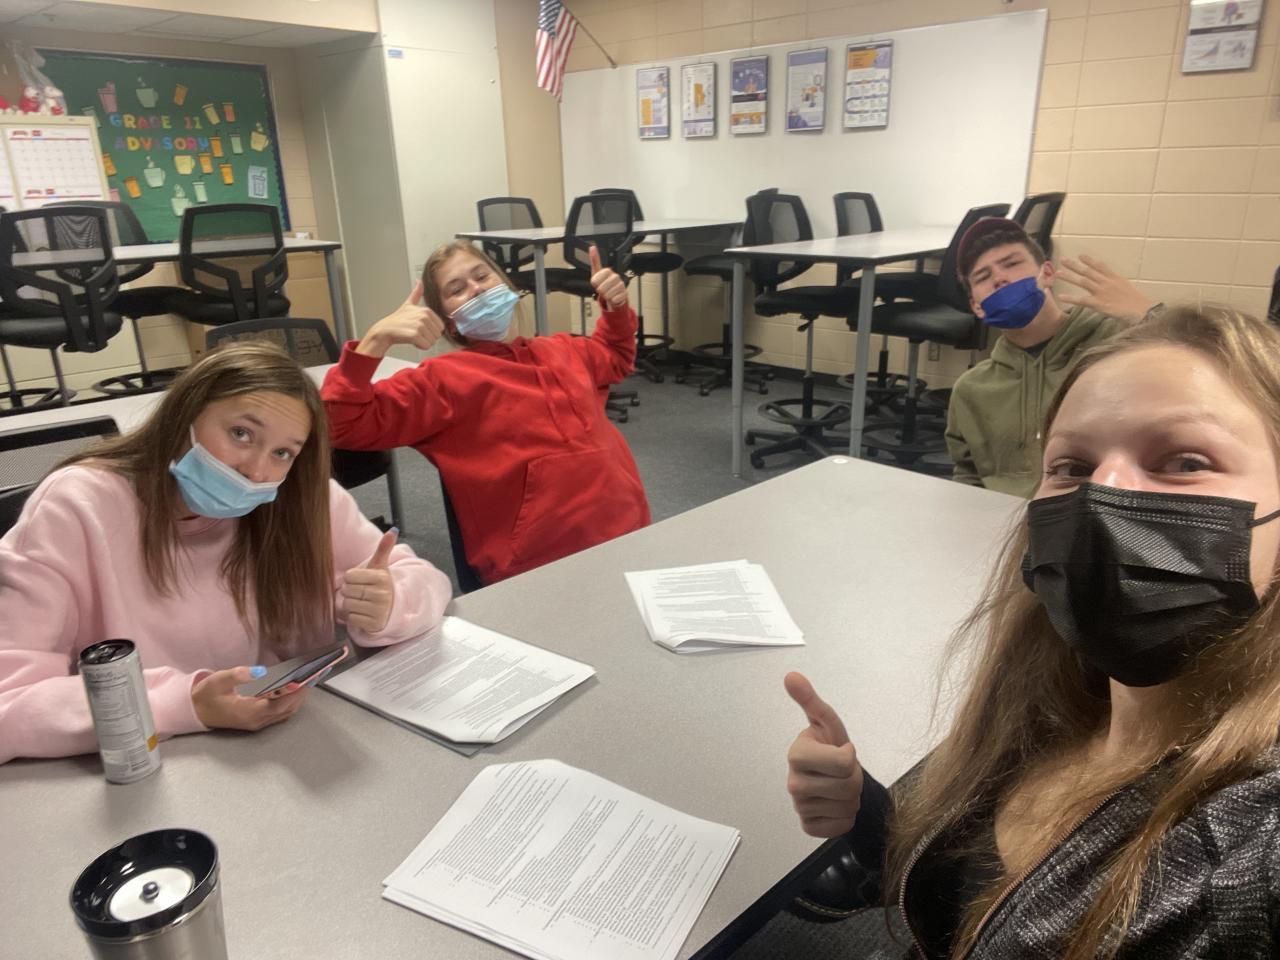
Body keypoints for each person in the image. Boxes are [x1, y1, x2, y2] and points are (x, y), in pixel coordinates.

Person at [768, 305, 1280, 958]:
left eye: (1184, 461)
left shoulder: (1254, 842)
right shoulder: (1050, 694)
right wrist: (864, 812)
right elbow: (967, 889)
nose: (1102, 495)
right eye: (1072, 466)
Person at [0, 342, 451, 765]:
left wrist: (390, 605)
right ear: (185, 415)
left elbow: (425, 579)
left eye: (282, 452)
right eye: (241, 433)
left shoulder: (299, 497)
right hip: (149, 762)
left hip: (280, 750)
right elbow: (9, 701)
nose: (256, 470)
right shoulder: (77, 506)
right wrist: (185, 704)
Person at [321, 241, 651, 586]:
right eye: (457, 290)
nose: (476, 289)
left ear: (507, 286)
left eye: (482, 276)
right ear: (450, 323)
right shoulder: (442, 380)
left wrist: (615, 307)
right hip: (539, 565)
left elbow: (615, 355)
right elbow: (340, 423)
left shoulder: (564, 350)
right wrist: (376, 339)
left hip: (628, 530)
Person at [945, 217, 1162, 497]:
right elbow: (968, 476)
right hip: (1003, 518)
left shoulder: (1116, 348)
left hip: (1093, 512)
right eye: (983, 277)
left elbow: (1205, 375)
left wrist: (1151, 315)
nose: (999, 279)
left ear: (1047, 273)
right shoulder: (971, 390)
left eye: (1012, 264)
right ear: (977, 307)